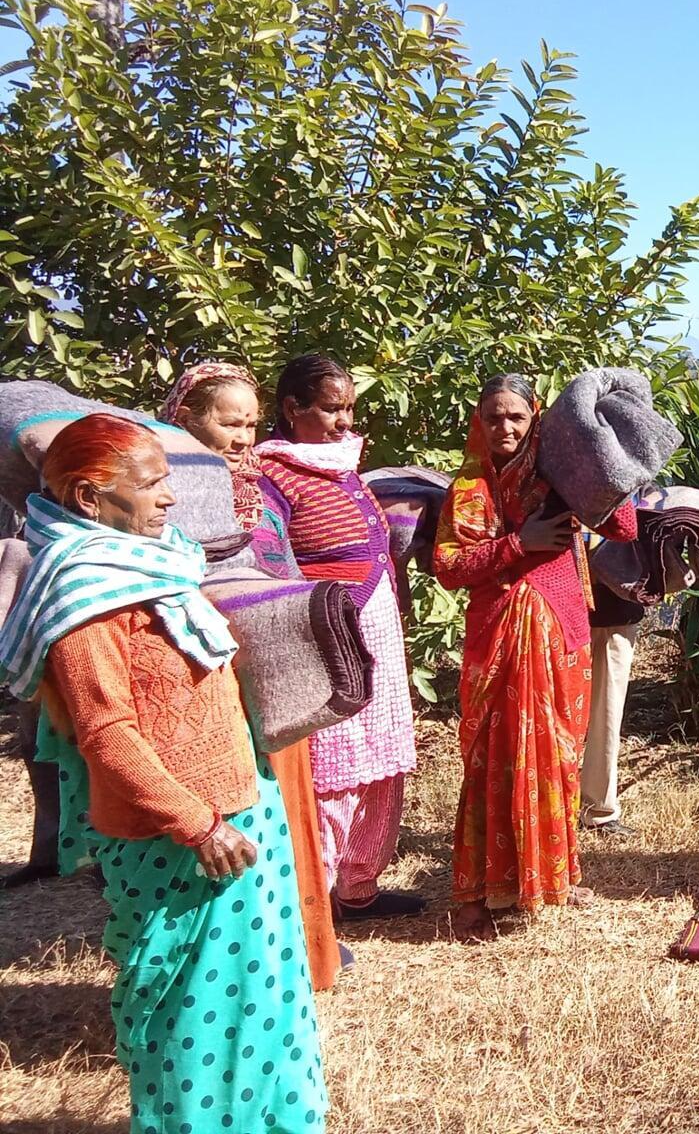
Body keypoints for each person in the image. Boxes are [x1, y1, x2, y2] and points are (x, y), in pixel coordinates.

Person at [0, 413, 327, 1133]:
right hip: (178, 838)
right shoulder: (83, 592)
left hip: (243, 802)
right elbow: (105, 733)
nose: (169, 498)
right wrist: (196, 824)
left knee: (263, 996)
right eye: (151, 484)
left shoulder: (157, 560)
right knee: (191, 1018)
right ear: (89, 497)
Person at [161, 362, 344, 988]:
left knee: (285, 806)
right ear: (185, 419)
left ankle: (302, 947)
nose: (241, 437)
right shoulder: (162, 493)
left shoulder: (258, 487)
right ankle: (236, 962)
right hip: (204, 682)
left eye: (248, 423)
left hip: (271, 670)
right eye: (226, 422)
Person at [434, 374, 637, 939]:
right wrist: (519, 545)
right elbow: (448, 566)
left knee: (558, 755)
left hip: (560, 628)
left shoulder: (560, 476)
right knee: (491, 759)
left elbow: (623, 526)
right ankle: (476, 896)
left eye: (516, 417)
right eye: (494, 417)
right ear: (479, 421)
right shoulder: (468, 488)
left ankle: (555, 875)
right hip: (497, 637)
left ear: (536, 418)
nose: (505, 428)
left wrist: (599, 452)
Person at [258, 353, 422, 921]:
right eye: (331, 409)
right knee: (334, 769)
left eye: (349, 407)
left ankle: (357, 886)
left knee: (381, 760)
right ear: (291, 408)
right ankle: (315, 906)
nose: (344, 421)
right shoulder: (271, 475)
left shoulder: (340, 465)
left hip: (374, 630)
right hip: (328, 640)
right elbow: (272, 564)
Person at [583, 546, 644, 838]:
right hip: (552, 605)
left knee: (606, 711)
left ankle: (598, 809)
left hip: (612, 610)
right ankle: (552, 806)